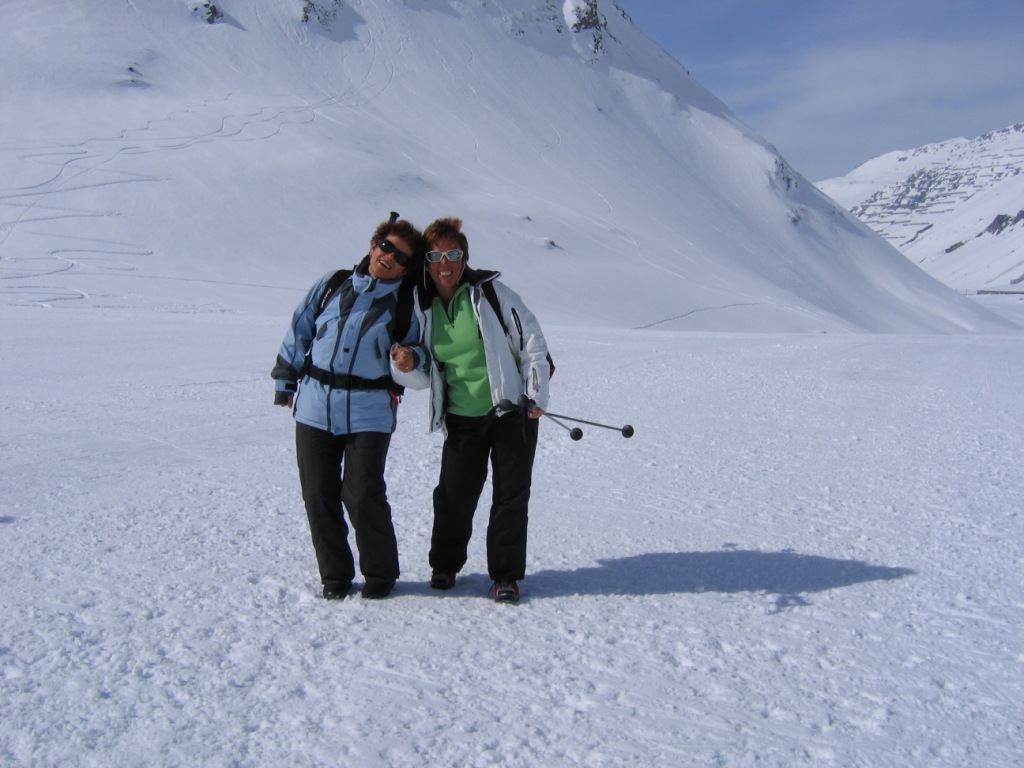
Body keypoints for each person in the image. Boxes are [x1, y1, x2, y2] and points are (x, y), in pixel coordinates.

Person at [392, 217, 551, 603]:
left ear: (465, 258)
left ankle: (505, 576)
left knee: (510, 494)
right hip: (462, 418)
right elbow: (425, 369)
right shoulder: (423, 306)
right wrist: (407, 364)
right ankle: (444, 566)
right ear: (426, 263)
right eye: (435, 256)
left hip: (510, 410)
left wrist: (535, 393)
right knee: (453, 494)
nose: (444, 264)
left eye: (453, 254)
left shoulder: (491, 294)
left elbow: (531, 339)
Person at [271, 214, 428, 601]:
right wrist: (285, 377)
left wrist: (412, 357)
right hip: (314, 407)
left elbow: (422, 350)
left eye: (401, 257)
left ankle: (380, 574)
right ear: (374, 245)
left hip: (369, 413)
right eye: (386, 247)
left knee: (362, 495)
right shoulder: (333, 283)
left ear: (407, 268)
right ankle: (335, 576)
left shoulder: (406, 303)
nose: (389, 258)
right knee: (318, 495)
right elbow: (301, 327)